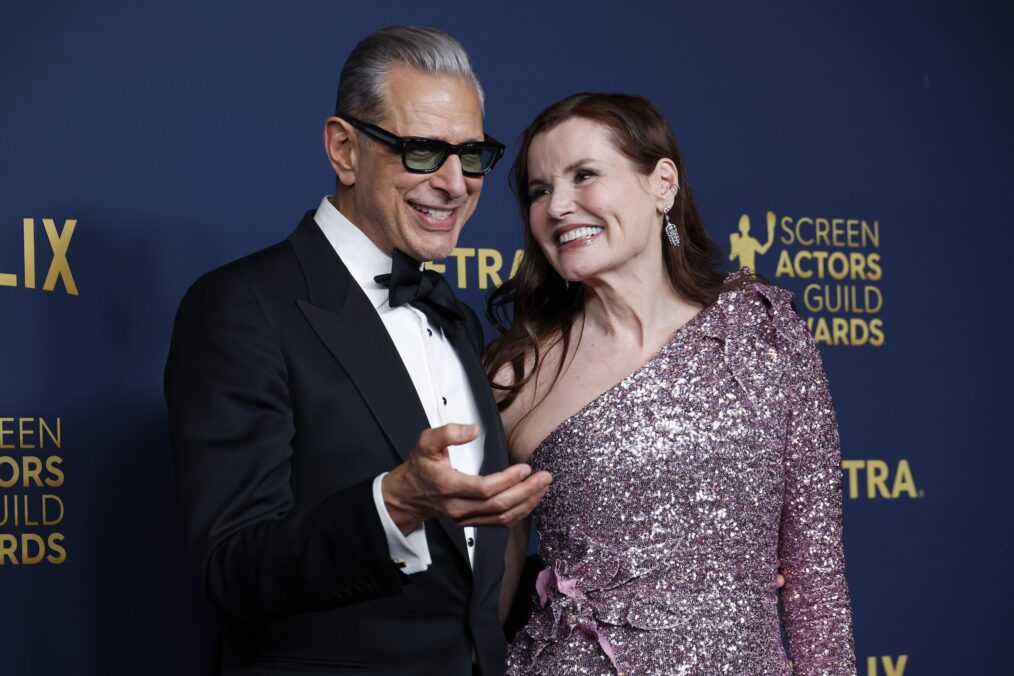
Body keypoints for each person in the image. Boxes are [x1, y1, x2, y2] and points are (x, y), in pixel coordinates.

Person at [165, 26, 551, 676]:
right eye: (424, 151)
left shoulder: (455, 316)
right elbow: (232, 571)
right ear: (345, 150)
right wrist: (393, 504)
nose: (457, 184)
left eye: (474, 155)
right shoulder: (241, 306)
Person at [485, 93, 856, 675]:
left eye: (584, 175)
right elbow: (488, 595)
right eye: (538, 191)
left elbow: (816, 580)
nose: (557, 206)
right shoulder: (515, 374)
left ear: (662, 184)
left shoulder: (760, 335)